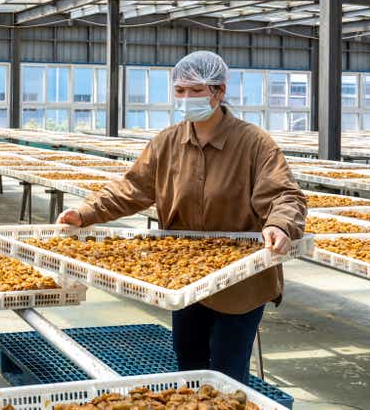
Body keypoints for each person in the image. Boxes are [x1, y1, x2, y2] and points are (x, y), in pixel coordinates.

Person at [57, 50, 306, 384]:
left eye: (197, 90)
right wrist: (84, 213)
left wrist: (279, 224)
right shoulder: (168, 143)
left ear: (219, 91)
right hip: (185, 277)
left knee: (227, 371)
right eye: (180, 91)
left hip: (240, 279)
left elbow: (284, 194)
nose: (187, 98)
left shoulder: (254, 144)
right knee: (188, 361)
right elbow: (131, 188)